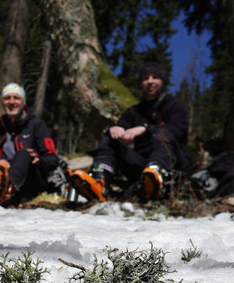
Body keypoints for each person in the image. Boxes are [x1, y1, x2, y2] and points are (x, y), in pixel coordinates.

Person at [69, 62, 189, 202]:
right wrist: (116, 129)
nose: (150, 81)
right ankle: (100, 180)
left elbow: (178, 131)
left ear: (162, 81)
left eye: (155, 77)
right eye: (145, 78)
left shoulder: (175, 106)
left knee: (163, 133)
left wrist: (146, 128)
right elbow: (121, 128)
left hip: (172, 166)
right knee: (109, 136)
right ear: (141, 83)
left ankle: (156, 173)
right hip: (141, 167)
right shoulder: (133, 112)